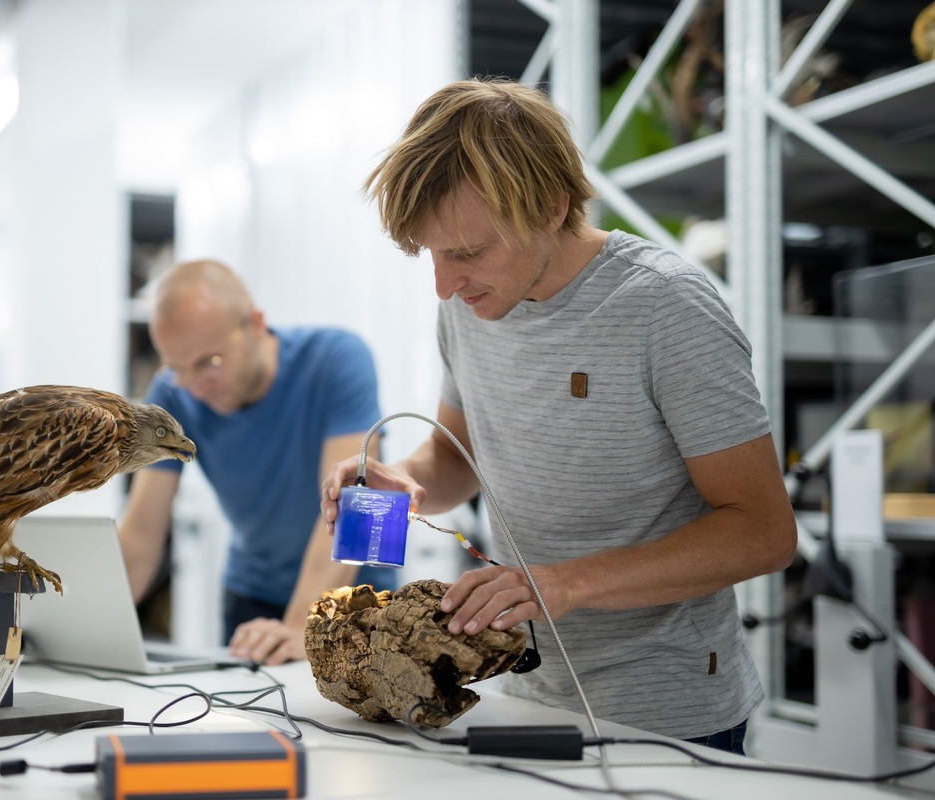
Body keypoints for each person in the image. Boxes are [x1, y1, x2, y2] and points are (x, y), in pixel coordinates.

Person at [320, 78, 796, 753]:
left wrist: (565, 584)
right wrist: (409, 479)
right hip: (526, 694)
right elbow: (458, 458)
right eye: (431, 255)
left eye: (466, 252)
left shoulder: (665, 307)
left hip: (668, 715)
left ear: (550, 206)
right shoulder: (467, 305)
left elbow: (765, 533)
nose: (444, 284)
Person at [120, 259, 394, 665]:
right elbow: (141, 538)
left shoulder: (338, 359)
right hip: (253, 599)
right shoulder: (172, 395)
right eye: (178, 369)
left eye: (209, 363)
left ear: (256, 324)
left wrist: (302, 625)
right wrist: (81, 629)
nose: (194, 387)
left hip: (357, 596)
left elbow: (358, 510)